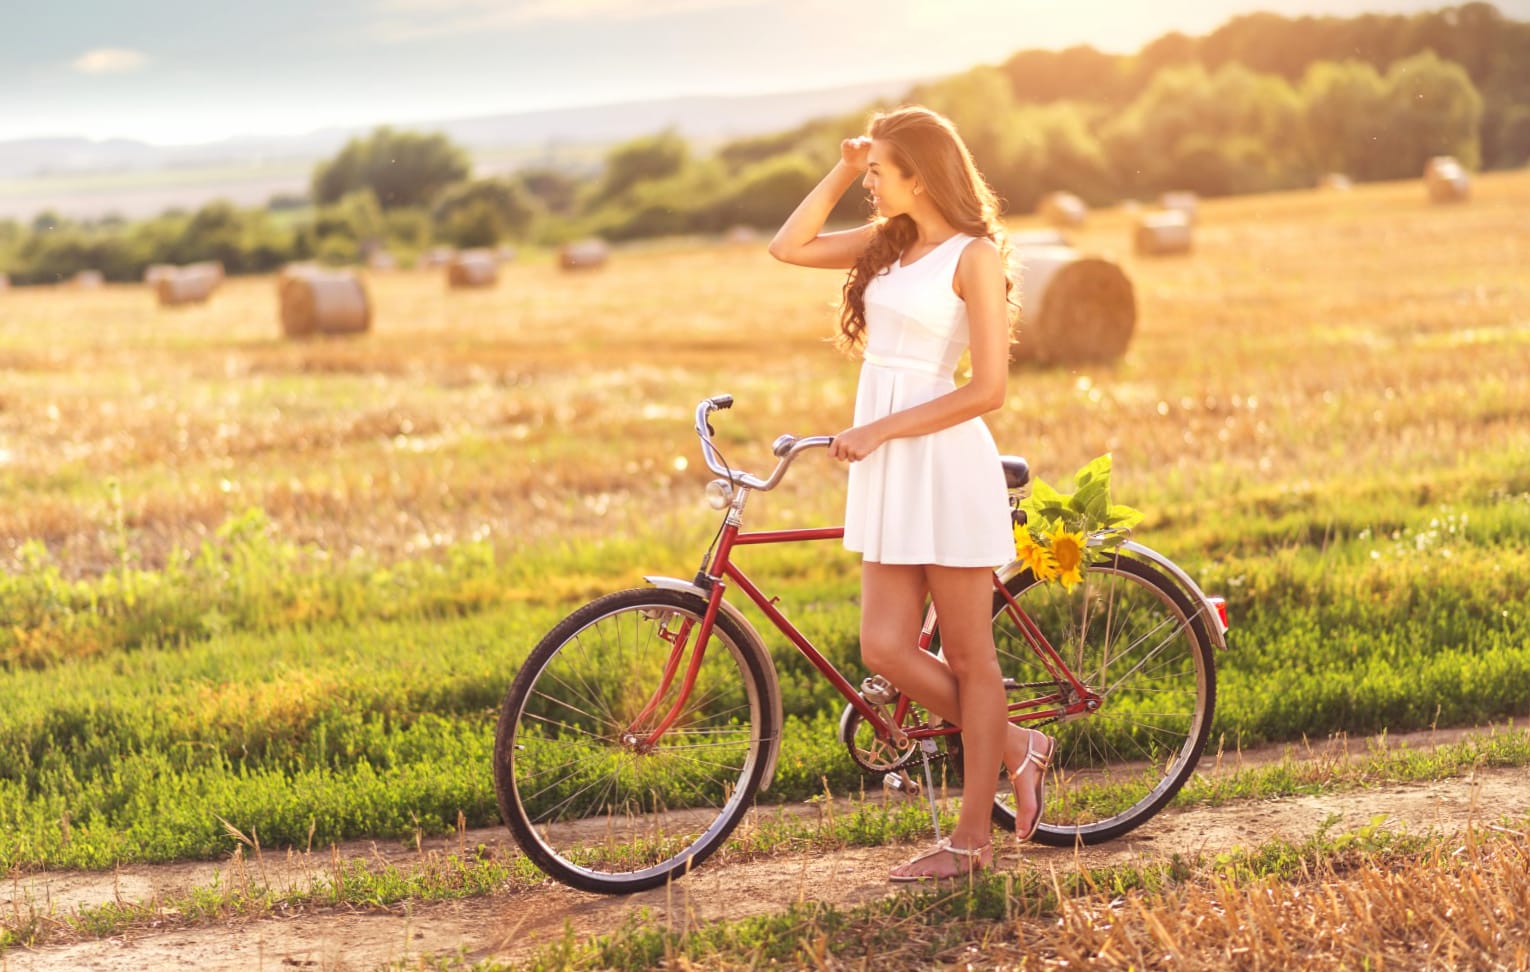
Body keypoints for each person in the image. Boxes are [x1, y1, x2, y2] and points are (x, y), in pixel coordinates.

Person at [768, 105, 1053, 881]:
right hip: (891, 464)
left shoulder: (975, 257)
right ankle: (1021, 747)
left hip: (942, 462)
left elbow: (989, 388)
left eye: (878, 172)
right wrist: (840, 164)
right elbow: (786, 246)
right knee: (885, 648)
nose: (869, 184)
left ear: (920, 175)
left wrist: (886, 431)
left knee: (969, 656)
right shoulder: (888, 245)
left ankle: (970, 843)